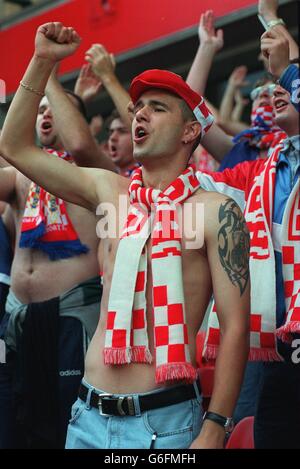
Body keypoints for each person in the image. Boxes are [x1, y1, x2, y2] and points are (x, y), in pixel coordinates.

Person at [0, 22, 250, 449]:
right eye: (137, 109)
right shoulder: (108, 190)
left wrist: (214, 426)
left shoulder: (217, 212)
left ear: (191, 131)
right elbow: (15, 147)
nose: (139, 115)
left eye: (157, 108)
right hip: (86, 418)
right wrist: (42, 60)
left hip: (166, 425)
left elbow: (235, 328)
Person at [0, 55, 115, 448]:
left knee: (68, 424)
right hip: (18, 316)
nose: (46, 114)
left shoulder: (96, 174)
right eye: (41, 110)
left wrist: (47, 72)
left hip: (73, 315)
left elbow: (80, 144)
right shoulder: (19, 176)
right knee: (16, 424)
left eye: (57, 109)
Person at [197, 31, 300, 448]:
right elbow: (197, 183)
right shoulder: (259, 168)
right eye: (272, 89)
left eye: (286, 88)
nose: (276, 92)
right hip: (277, 336)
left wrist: (284, 60)